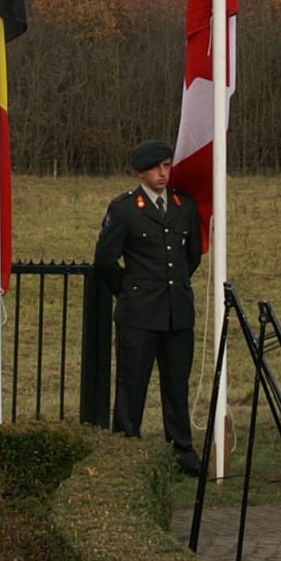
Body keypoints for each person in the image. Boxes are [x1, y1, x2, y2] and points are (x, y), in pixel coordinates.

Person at [93, 139, 204, 474]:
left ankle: (182, 451)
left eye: (167, 166)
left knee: (176, 385)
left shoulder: (184, 206)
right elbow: (106, 261)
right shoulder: (126, 208)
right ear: (142, 171)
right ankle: (126, 450)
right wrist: (130, 291)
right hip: (139, 314)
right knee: (132, 384)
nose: (163, 173)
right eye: (156, 167)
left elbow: (192, 257)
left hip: (176, 313)